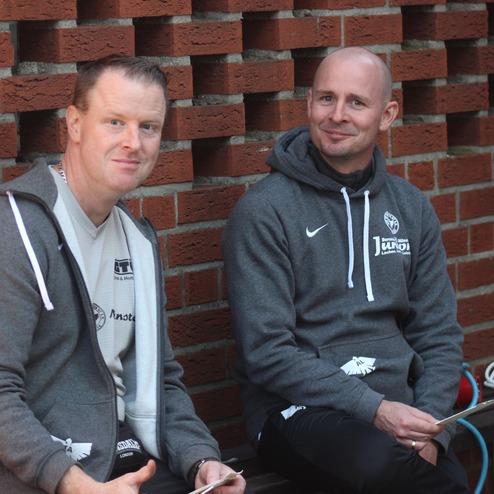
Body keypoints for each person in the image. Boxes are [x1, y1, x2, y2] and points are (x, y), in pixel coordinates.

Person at [222, 47, 471, 493]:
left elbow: (438, 335)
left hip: (401, 411)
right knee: (384, 466)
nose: (337, 115)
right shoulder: (264, 211)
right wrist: (376, 411)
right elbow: (268, 352)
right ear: (309, 103)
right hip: (298, 412)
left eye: (356, 102)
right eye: (326, 98)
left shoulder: (410, 208)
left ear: (387, 115)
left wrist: (433, 428)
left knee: (442, 474)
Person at [0, 55, 246, 494]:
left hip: (126, 455)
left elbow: (161, 380)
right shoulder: (16, 228)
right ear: (75, 124)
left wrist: (201, 459)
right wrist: (74, 484)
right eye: (115, 122)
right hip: (46, 473)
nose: (133, 142)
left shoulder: (137, 239)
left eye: (148, 127)